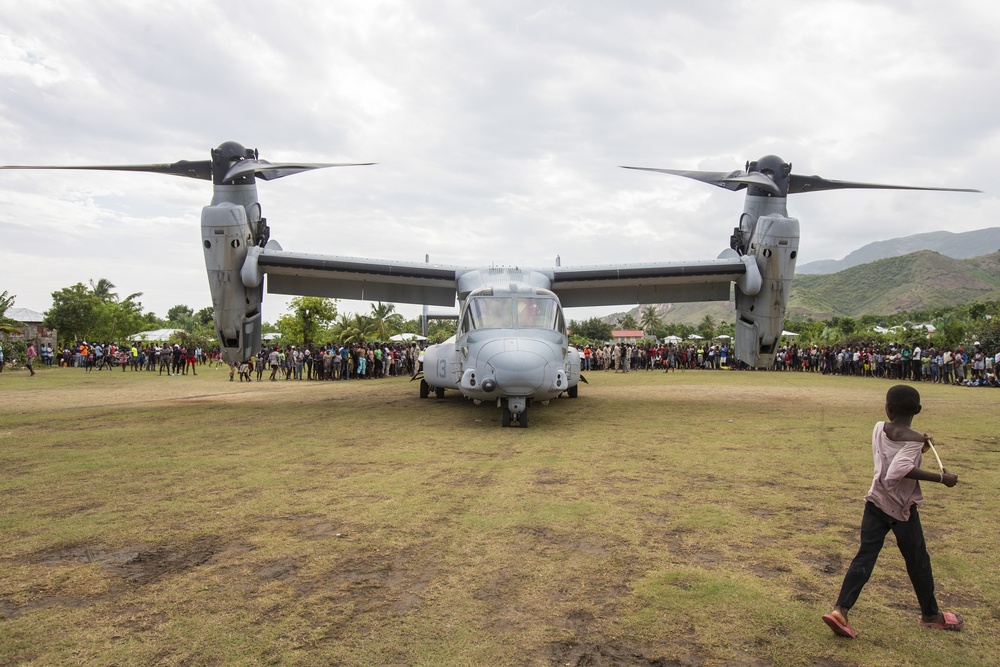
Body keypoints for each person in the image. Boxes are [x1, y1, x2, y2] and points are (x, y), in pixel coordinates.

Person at [823, 385, 963, 639]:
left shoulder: (880, 428)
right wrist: (942, 478)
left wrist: (921, 448)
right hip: (901, 510)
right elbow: (897, 471)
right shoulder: (913, 438)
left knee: (865, 556)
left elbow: (891, 456)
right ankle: (931, 615)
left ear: (887, 408)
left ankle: (840, 611)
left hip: (875, 502)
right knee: (917, 560)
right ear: (918, 410)